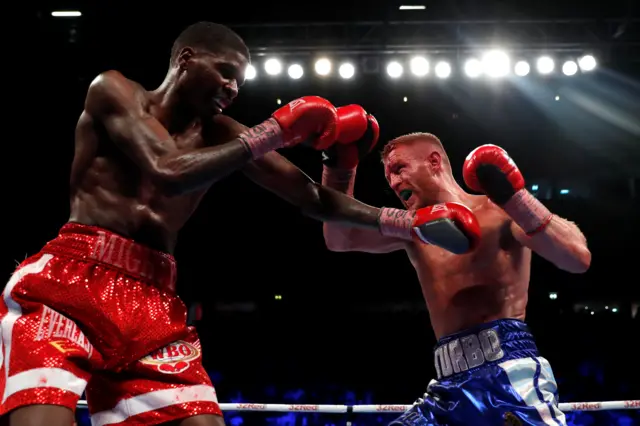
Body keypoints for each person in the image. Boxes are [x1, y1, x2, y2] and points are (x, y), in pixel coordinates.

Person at [0, 23, 481, 426]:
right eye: (225, 73)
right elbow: (165, 170)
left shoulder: (226, 135)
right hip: (72, 283)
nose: (232, 88)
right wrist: (274, 131)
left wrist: (410, 222)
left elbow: (311, 197)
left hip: (153, 305)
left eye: (239, 82)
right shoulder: (114, 91)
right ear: (185, 59)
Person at [322, 133, 591, 425]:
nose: (394, 182)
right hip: (448, 387)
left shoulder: (498, 211)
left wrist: (516, 198)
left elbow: (577, 258)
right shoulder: (414, 230)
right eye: (388, 175)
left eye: (399, 168)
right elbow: (340, 238)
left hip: (510, 375)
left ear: (434, 162)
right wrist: (339, 167)